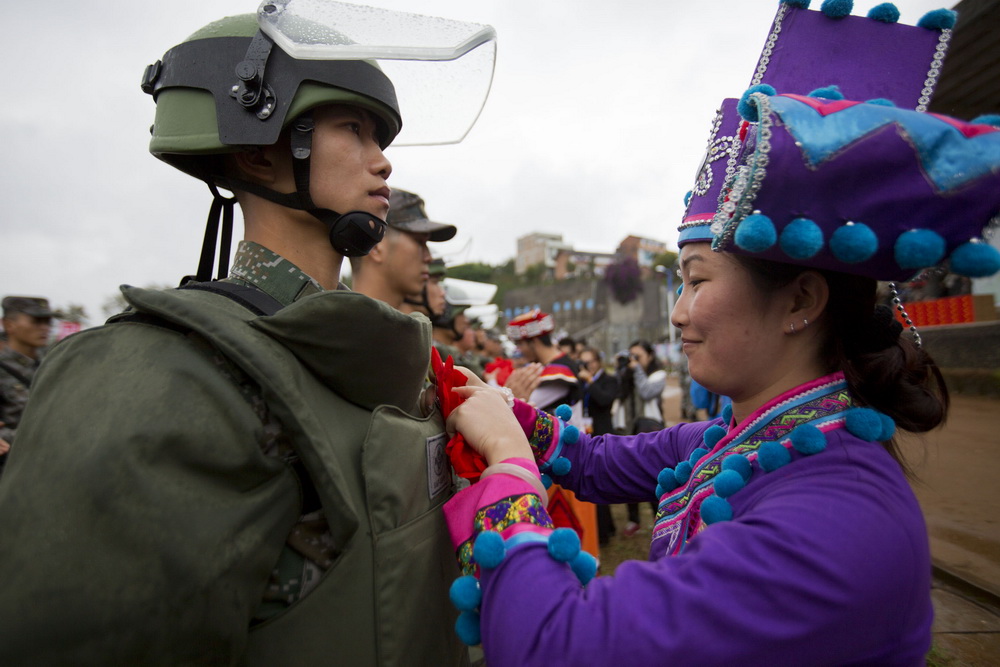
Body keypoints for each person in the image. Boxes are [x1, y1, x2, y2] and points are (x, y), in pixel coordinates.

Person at [435, 4, 1000, 660]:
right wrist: (505, 411)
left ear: (800, 301)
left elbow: (559, 645)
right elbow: (591, 460)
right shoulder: (737, 442)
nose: (678, 314)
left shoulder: (839, 520)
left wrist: (508, 462)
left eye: (697, 281)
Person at [0, 5, 494, 664]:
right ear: (260, 152)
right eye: (353, 129)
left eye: (380, 138)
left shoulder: (369, 356)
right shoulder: (171, 373)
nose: (383, 164)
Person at [350, 188, 457, 309]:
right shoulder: (347, 320)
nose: (429, 257)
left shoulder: (349, 318)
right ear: (375, 248)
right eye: (419, 242)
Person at [0, 296, 55, 469]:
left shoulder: (55, 365)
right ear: (9, 325)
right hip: (12, 470)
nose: (45, 328)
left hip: (52, 466)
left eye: (47, 322)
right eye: (36, 321)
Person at [577, 346, 619, 545]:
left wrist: (590, 381)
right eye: (583, 363)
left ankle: (605, 531)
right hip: (586, 434)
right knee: (592, 481)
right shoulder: (580, 382)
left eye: (590, 362)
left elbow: (604, 401)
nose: (587, 366)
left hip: (603, 434)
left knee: (602, 481)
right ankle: (603, 528)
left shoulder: (609, 380)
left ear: (598, 362)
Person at [505, 310, 581, 413]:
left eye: (520, 344)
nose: (519, 350)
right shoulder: (557, 364)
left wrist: (508, 394)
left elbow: (521, 405)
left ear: (534, 342)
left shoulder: (560, 372)